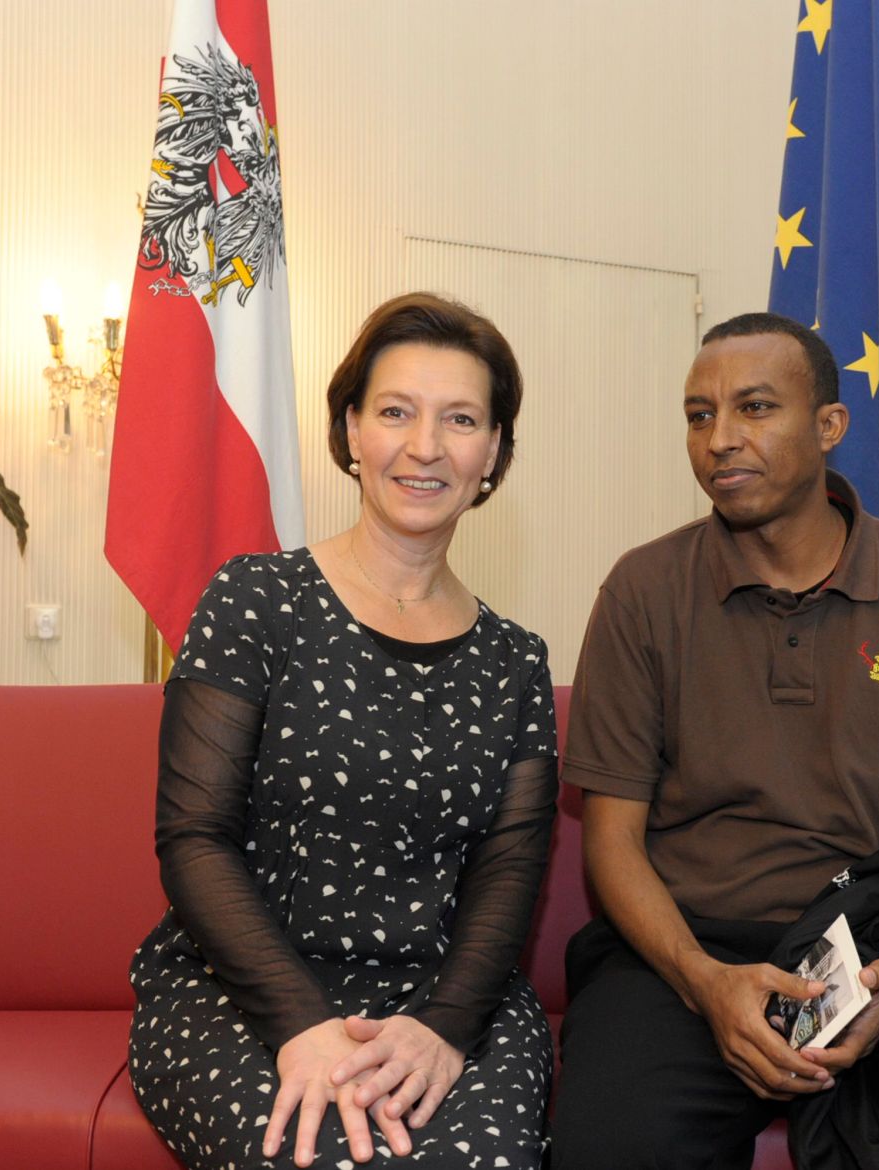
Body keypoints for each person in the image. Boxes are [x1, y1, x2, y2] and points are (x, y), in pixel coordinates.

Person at [549, 312, 879, 1168]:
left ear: (830, 427)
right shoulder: (642, 590)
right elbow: (612, 841)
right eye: (699, 416)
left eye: (755, 408)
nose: (721, 441)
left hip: (873, 947)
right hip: (681, 953)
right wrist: (706, 985)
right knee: (609, 1148)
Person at [129, 293, 559, 1170]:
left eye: (462, 419)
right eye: (396, 411)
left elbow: (510, 871)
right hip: (243, 988)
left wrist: (441, 1029)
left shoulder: (518, 660)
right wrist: (302, 1025)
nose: (425, 446)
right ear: (351, 428)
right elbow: (195, 837)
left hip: (447, 1003)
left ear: (495, 453)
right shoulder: (254, 600)